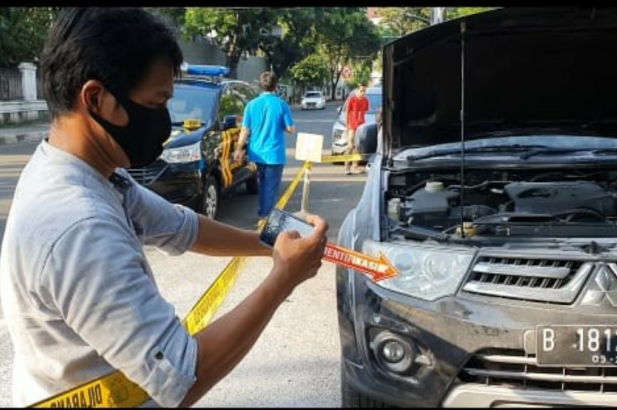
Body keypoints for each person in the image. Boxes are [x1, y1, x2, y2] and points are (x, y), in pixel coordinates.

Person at [0, 8, 328, 408]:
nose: (165, 120)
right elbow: (182, 376)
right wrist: (284, 279)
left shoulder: (88, 172)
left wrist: (272, 242)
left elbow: (180, 226)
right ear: (96, 98)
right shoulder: (78, 225)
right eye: (157, 103)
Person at [234, 71, 295, 226]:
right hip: (275, 154)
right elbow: (290, 129)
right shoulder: (281, 104)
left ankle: (263, 214)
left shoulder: (251, 105)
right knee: (271, 187)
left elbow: (245, 130)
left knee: (262, 184)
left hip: (257, 154)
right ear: (276, 86)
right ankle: (266, 218)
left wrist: (239, 149)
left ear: (261, 85)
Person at [344, 83, 369, 175]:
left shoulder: (366, 100)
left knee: (358, 147)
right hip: (352, 126)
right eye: (361, 91)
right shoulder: (352, 99)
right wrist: (347, 126)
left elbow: (365, 111)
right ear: (357, 90)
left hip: (361, 126)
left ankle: (355, 166)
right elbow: (347, 114)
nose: (362, 93)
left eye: (364, 91)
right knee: (350, 146)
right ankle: (347, 167)